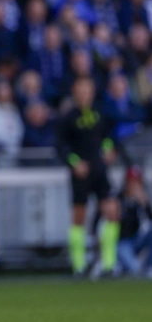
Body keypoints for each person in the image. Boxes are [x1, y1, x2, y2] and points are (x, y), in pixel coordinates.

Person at [56, 77, 120, 277]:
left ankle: (109, 264)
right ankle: (79, 265)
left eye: (88, 91)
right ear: (75, 93)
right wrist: (75, 163)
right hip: (81, 174)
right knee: (79, 217)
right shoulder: (68, 118)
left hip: (100, 171)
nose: (85, 95)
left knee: (112, 211)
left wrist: (109, 150)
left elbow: (109, 137)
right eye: (81, 91)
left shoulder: (100, 113)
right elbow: (61, 147)